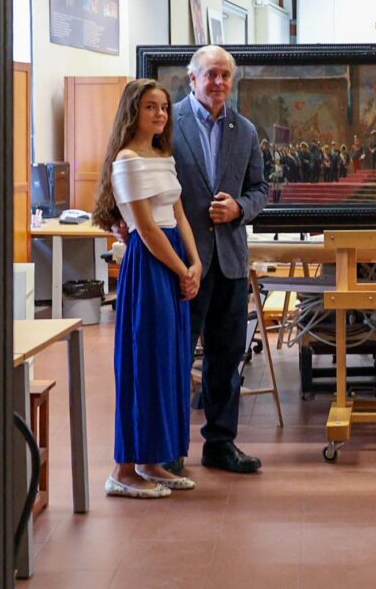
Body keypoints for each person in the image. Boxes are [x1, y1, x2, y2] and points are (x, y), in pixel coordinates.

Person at [160, 45, 269, 474]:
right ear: (192, 78)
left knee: (226, 358)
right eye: (210, 75)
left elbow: (260, 189)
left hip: (229, 263)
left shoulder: (244, 130)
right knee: (178, 355)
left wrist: (240, 208)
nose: (219, 82)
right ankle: (170, 447)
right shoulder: (168, 124)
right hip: (182, 261)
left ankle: (221, 443)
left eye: (225, 75)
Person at [92, 79, 199, 498]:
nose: (160, 114)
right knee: (144, 360)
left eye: (164, 108)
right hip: (151, 262)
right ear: (133, 112)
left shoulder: (162, 154)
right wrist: (180, 270)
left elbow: (179, 215)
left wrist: (196, 262)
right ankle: (124, 470)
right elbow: (147, 227)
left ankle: (153, 460)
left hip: (174, 259)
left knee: (169, 361)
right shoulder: (128, 160)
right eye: (151, 107)